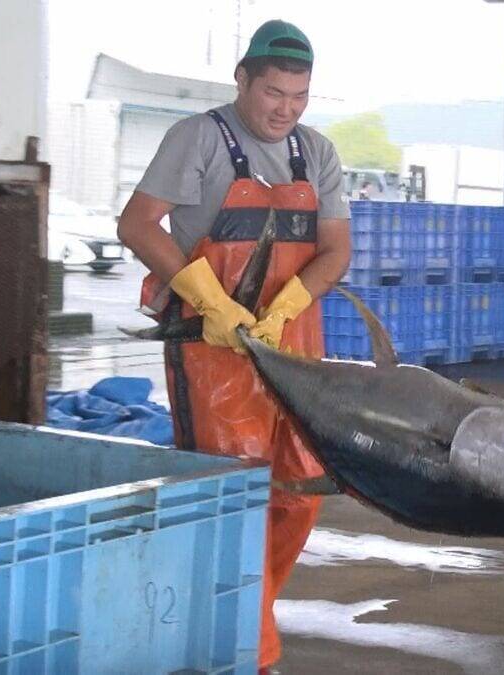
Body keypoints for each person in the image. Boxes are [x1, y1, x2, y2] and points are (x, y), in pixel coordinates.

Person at [116, 20, 351, 672]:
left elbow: (337, 249)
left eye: (299, 95)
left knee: (300, 494)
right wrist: (210, 301)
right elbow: (137, 222)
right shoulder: (198, 138)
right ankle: (244, 650)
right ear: (242, 79)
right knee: (233, 499)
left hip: (294, 350)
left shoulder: (318, 152)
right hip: (214, 355)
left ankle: (244, 625)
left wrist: (289, 304)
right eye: (274, 92)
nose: (286, 108)